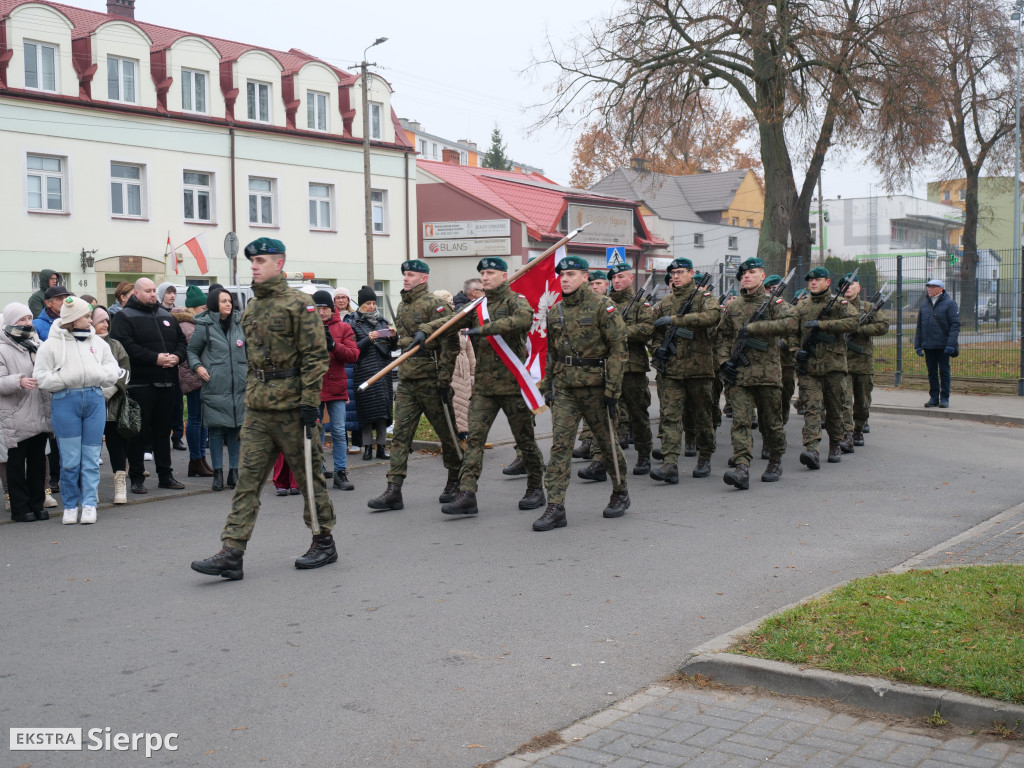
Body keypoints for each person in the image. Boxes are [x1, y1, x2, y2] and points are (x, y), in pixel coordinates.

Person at [191, 237, 336, 580]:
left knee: (308, 479)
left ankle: (323, 540)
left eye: (261, 260)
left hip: (292, 406)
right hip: (258, 406)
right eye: (252, 261)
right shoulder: (252, 308)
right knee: (248, 482)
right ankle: (232, 551)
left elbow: (316, 358)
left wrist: (309, 403)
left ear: (279, 263)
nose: (254, 266)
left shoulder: (301, 305)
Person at [422, 258, 547, 516]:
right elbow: (450, 321)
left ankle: (536, 487)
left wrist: (485, 329)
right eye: (482, 273)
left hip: (513, 386)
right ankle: (468, 494)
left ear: (504, 275)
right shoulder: (477, 305)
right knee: (475, 440)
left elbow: (523, 321)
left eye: (490, 273)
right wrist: (425, 330)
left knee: (525, 441)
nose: (485, 277)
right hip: (484, 388)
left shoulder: (516, 301)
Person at [533, 255, 629, 532]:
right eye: (562, 275)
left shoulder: (603, 306)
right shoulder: (555, 311)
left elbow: (618, 350)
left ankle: (620, 491)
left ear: (585, 277)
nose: (564, 279)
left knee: (606, 443)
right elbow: (552, 353)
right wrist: (548, 385)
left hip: (597, 388)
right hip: (565, 389)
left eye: (571, 274)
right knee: (560, 446)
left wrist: (613, 390)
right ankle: (555, 506)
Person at [367, 260, 462, 511]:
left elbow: (450, 344)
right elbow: (406, 340)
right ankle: (393, 489)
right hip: (408, 379)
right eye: (404, 275)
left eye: (411, 275)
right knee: (400, 436)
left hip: (432, 379)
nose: (406, 278)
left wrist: (444, 379)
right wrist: (393, 341)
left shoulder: (435, 304)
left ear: (424, 277)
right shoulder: (402, 304)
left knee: (447, 435)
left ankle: (455, 480)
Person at [35, 296, 120, 524]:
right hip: (65, 400)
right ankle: (71, 506)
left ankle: (90, 503)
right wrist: (64, 379)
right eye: (86, 315)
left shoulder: (98, 343)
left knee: (92, 458)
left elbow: (113, 368)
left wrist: (99, 377)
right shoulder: (51, 345)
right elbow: (41, 376)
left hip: (94, 399)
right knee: (70, 459)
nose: (90, 319)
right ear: (72, 319)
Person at [715, 258, 797, 489]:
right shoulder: (733, 307)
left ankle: (775, 460)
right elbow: (722, 338)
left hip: (767, 375)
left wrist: (754, 328)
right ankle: (742, 467)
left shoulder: (773, 303)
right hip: (739, 376)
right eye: (743, 274)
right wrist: (723, 362)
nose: (746, 277)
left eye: (752, 272)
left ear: (763, 276)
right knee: (740, 422)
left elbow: (792, 322)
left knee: (771, 424)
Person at [110, 278, 188, 494]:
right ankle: (136, 477)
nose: (153, 294)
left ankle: (166, 475)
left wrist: (176, 357)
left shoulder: (166, 315)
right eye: (148, 291)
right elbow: (125, 347)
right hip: (140, 384)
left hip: (167, 382)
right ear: (136, 293)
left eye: (155, 290)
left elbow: (181, 342)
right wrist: (155, 359)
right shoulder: (123, 317)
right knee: (138, 433)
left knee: (163, 432)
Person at [649, 257, 722, 483]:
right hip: (671, 370)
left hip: (699, 369)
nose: (676, 276)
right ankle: (670, 463)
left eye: (680, 272)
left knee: (702, 416)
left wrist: (676, 320)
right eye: (673, 273)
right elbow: (654, 332)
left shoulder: (705, 298)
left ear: (691, 273)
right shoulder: (665, 302)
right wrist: (657, 350)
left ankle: (705, 456)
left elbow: (712, 317)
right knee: (670, 417)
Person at [792, 267, 860, 468]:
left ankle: (835, 445)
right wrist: (796, 351)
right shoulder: (801, 307)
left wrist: (823, 325)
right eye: (810, 280)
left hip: (834, 366)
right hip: (809, 368)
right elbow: (791, 333)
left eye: (818, 279)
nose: (813, 282)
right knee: (812, 409)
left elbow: (854, 323)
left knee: (834, 409)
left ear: (827, 282)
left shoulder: (840, 304)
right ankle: (812, 449)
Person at [188, 287, 247, 492]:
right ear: (214, 304)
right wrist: (198, 367)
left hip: (239, 386)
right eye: (223, 301)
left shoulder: (240, 323)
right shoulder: (204, 325)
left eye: (229, 301)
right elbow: (192, 351)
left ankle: (234, 472)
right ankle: (218, 473)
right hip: (215, 384)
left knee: (235, 429)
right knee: (215, 430)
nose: (228, 304)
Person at [0, 303, 51, 522]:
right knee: (16, 463)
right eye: (22, 319)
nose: (28, 323)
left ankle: (37, 504)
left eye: (30, 318)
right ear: (11, 321)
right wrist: (18, 381)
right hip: (16, 413)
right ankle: (20, 508)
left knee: (38, 462)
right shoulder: (2, 348)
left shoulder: (37, 344)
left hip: (38, 411)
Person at [605, 263, 655, 475]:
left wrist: (619, 331)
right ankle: (605, 459)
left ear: (631, 278)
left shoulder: (641, 304)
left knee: (637, 414)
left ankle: (644, 455)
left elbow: (646, 329)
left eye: (621, 277)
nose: (616, 281)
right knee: (608, 416)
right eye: (614, 277)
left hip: (632, 367)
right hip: (608, 367)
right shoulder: (604, 303)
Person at [312, 290, 359, 490]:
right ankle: (318, 469)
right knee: (316, 432)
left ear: (331, 309)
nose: (322, 312)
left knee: (339, 431)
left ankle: (340, 472)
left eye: (325, 308)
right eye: (318, 308)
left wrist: (333, 345)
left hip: (336, 387)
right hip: (313, 388)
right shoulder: (305, 328)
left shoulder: (343, 327)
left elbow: (353, 355)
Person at [348, 285, 395, 460]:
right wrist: (369, 339)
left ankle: (382, 447)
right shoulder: (352, 322)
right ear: (361, 305)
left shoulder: (383, 321)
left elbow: (393, 347)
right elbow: (352, 349)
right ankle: (367, 447)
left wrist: (393, 337)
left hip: (383, 370)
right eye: (368, 303)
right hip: (364, 371)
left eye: (374, 303)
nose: (372, 307)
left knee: (383, 410)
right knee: (366, 411)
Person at [841, 276, 889, 445]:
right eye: (844, 284)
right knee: (844, 400)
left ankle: (859, 429)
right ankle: (847, 432)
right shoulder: (836, 308)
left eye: (851, 284)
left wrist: (860, 329)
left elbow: (883, 325)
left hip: (862, 362)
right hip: (841, 362)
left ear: (858, 288)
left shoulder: (868, 308)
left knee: (862, 401)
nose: (847, 287)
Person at [91, 306, 130, 504]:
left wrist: (113, 390)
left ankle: (120, 484)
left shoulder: (116, 345)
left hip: (114, 405)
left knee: (116, 444)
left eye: (107, 320)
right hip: (90, 405)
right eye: (100, 321)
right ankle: (91, 487)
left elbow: (125, 371)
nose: (105, 324)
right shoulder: (84, 344)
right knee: (91, 448)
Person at [173, 286, 212, 475]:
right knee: (196, 420)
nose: (206, 310)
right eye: (203, 307)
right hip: (194, 377)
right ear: (195, 307)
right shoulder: (188, 326)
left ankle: (201, 459)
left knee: (202, 420)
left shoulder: (196, 323)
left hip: (198, 376)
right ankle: (195, 459)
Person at [434, 290, 476, 449]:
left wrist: (473, 370)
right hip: (451, 368)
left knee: (466, 404)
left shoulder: (457, 319)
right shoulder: (439, 323)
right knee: (454, 404)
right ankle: (455, 440)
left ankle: (466, 436)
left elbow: (469, 347)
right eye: (450, 302)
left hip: (463, 367)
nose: (453, 305)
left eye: (452, 302)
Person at [914, 278, 960, 409]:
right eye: (928, 286)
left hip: (943, 345)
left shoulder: (950, 304)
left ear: (941, 289)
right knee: (931, 372)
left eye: (933, 287)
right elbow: (919, 327)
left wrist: (951, 344)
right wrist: (918, 345)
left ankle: (944, 398)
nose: (929, 289)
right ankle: (934, 397)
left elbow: (955, 325)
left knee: (944, 372)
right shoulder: (924, 305)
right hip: (928, 345)